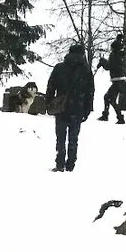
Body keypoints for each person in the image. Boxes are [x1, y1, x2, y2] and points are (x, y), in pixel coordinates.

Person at [45, 43, 94, 172]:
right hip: (78, 107)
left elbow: (50, 86)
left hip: (61, 107)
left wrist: (49, 102)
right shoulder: (86, 70)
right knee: (74, 138)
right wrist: (88, 109)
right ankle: (71, 165)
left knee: (60, 137)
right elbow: (90, 91)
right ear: (82, 54)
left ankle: (60, 163)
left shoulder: (59, 67)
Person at [96, 33, 126, 124]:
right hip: (120, 80)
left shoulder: (114, 55)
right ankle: (112, 116)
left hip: (117, 81)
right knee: (109, 98)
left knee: (109, 98)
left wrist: (102, 62)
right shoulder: (120, 54)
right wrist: (118, 39)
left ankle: (118, 117)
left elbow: (108, 66)